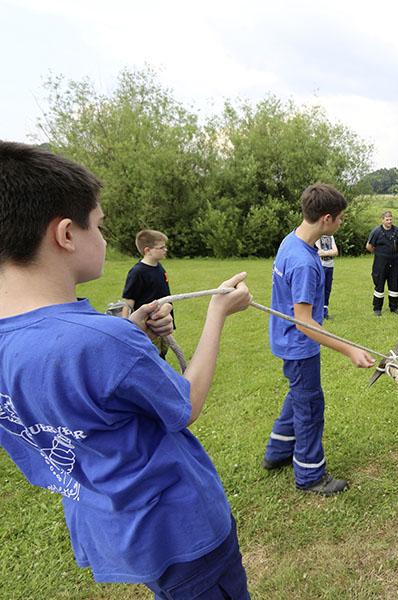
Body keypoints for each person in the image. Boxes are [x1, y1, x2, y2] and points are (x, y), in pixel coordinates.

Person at [0, 141, 254, 597]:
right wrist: (217, 313)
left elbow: (75, 394)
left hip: (114, 527)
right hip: (182, 530)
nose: (103, 237)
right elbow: (187, 404)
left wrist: (133, 330)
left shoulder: (56, 339)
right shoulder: (102, 341)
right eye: (98, 225)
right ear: (65, 234)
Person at [262, 183, 376, 495]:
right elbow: (304, 323)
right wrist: (349, 349)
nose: (341, 223)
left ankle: (277, 452)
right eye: (339, 219)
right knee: (310, 406)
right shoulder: (303, 262)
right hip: (298, 346)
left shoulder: (292, 241)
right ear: (326, 219)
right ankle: (310, 475)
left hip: (287, 342)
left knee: (299, 395)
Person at [122, 229, 174, 358]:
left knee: (162, 352)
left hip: (163, 322)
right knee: (151, 355)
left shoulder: (159, 267)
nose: (165, 249)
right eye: (161, 247)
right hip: (148, 325)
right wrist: (124, 325)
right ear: (147, 250)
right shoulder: (137, 272)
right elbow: (128, 301)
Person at [366, 210, 398, 316]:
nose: (389, 221)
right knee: (379, 284)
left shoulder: (397, 231)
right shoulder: (376, 232)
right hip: (380, 263)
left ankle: (394, 307)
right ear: (382, 220)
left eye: (391, 219)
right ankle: (377, 309)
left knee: (394, 284)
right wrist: (380, 254)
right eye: (387, 220)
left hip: (395, 261)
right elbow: (369, 247)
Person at [315, 234, 338, 319]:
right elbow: (318, 252)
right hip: (321, 266)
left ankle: (325, 312)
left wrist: (325, 252)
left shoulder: (331, 237)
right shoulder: (317, 236)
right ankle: (317, 312)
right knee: (320, 288)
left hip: (330, 266)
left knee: (328, 289)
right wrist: (330, 252)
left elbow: (336, 251)